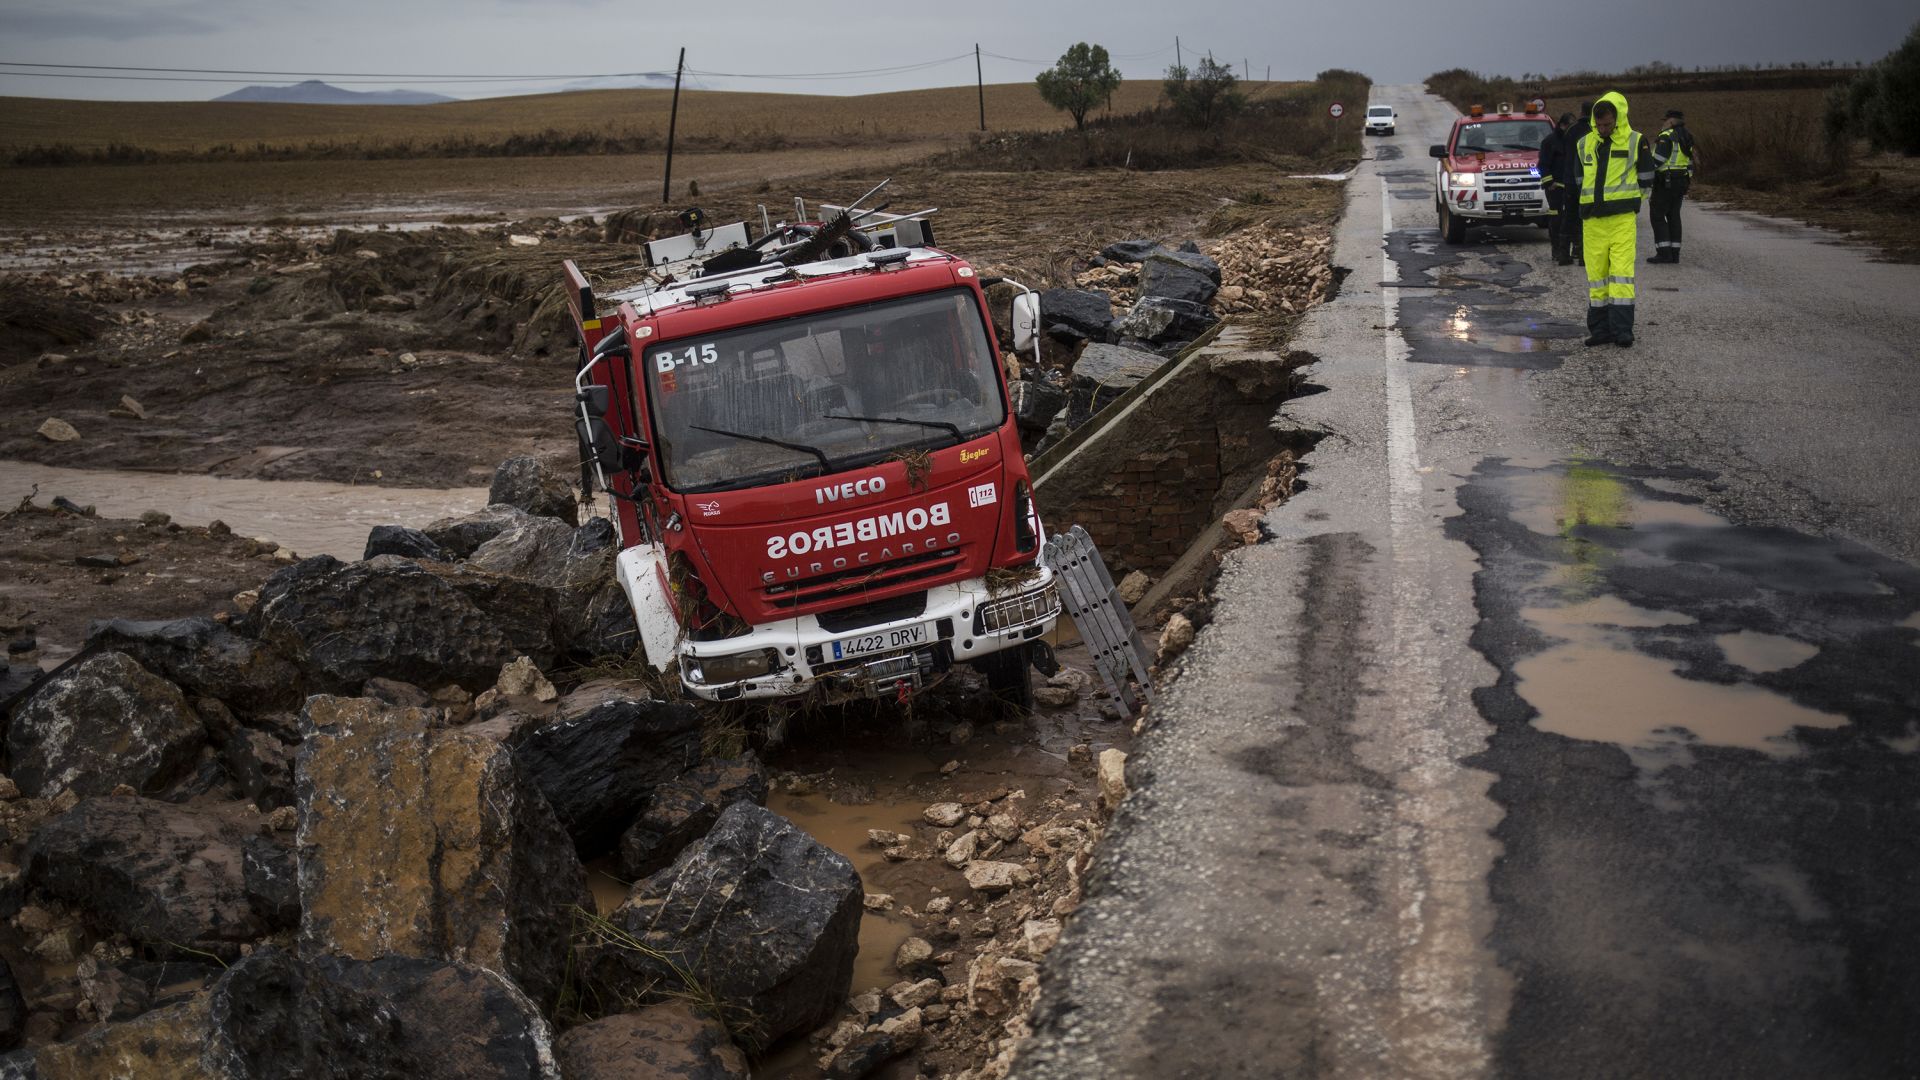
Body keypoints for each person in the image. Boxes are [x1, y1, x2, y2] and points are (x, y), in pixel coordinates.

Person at [1576, 91, 1656, 348]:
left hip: (1621, 220)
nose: (1602, 129)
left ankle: (1622, 331)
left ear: (1618, 119)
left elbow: (1646, 179)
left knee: (1621, 276)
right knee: (1597, 278)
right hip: (1592, 223)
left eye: (1607, 124)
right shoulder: (1584, 143)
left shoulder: (1636, 141)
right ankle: (1600, 331)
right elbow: (1579, 181)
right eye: (1598, 125)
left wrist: (1629, 204)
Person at [1648, 109, 1697, 263]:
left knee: (1657, 215)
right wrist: (1687, 179)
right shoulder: (1687, 136)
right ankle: (1675, 253)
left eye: (1665, 120)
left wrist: (1646, 169)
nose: (1663, 123)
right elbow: (1689, 161)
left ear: (1670, 121)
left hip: (1666, 181)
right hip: (1681, 181)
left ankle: (1663, 252)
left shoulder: (1666, 136)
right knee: (1674, 215)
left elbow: (1658, 160)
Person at [1537, 111, 1577, 265]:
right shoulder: (1550, 142)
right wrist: (1549, 183)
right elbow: (1542, 165)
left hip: (1571, 187)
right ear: (1562, 125)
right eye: (1569, 125)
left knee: (1573, 219)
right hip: (1555, 188)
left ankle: (1575, 250)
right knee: (1557, 219)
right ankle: (1557, 250)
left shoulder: (1573, 141)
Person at [1561, 101, 1593, 262]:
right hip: (1589, 182)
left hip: (1571, 181)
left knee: (1569, 217)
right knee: (1586, 218)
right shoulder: (1595, 130)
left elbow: (1565, 154)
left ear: (1581, 112)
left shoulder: (1571, 131)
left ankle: (1564, 254)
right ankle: (1582, 255)